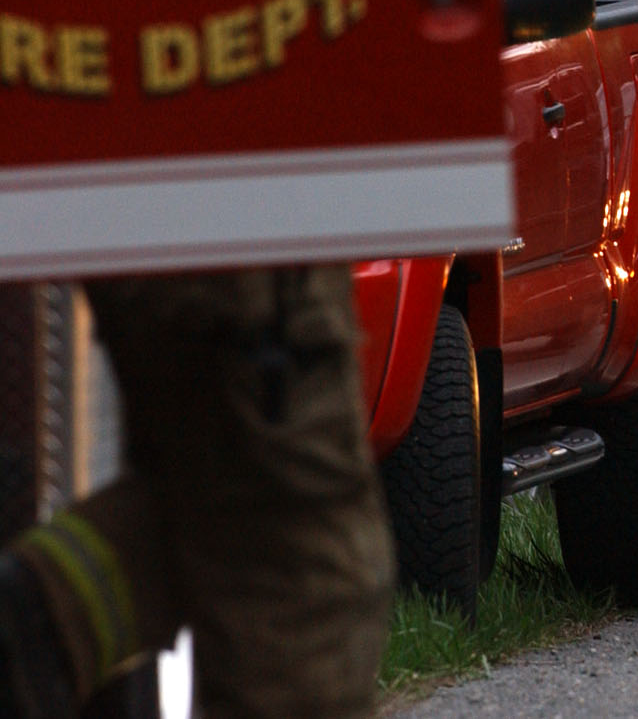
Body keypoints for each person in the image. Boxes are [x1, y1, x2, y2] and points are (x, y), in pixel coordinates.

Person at [0, 267, 393, 718]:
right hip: (237, 224)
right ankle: (35, 625)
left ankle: (36, 624)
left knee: (223, 505)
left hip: (224, 222)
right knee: (299, 562)